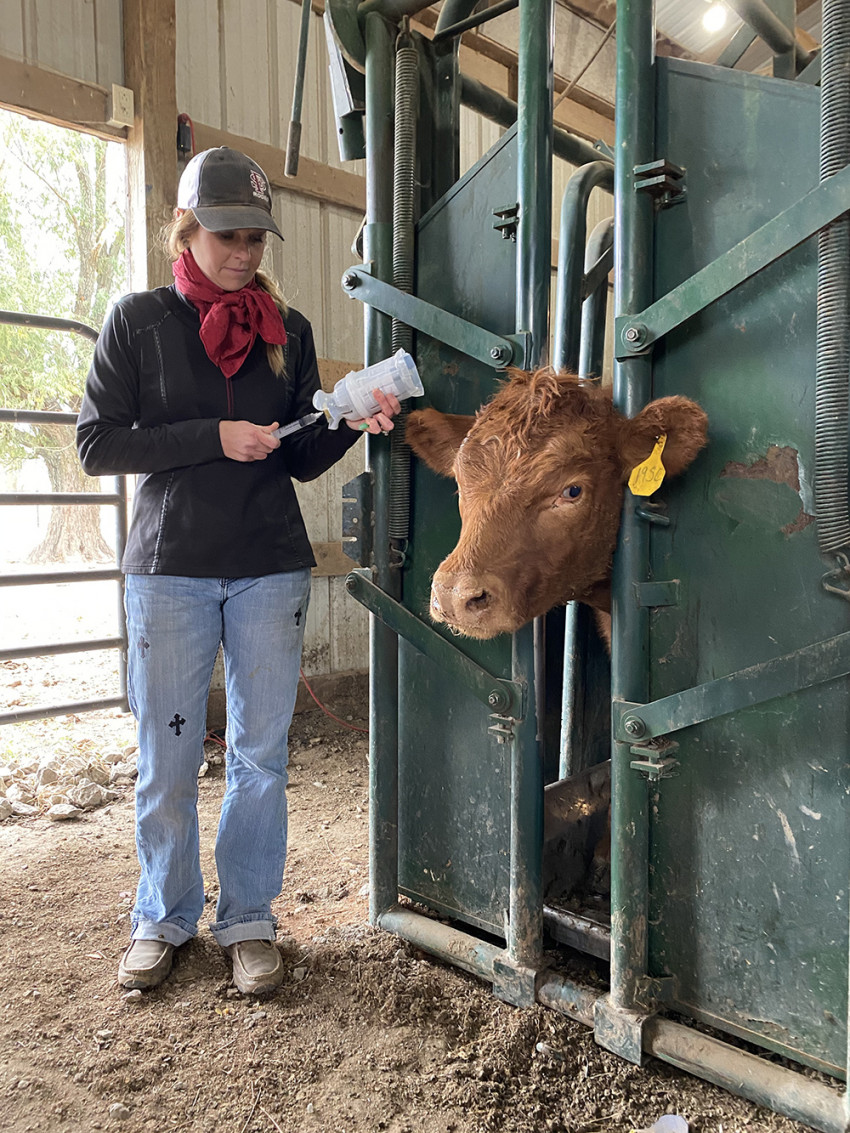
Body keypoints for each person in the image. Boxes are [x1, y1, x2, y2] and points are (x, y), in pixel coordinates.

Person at [76, 147, 399, 995]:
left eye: (256, 236)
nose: (244, 251)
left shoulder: (285, 330)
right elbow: (96, 443)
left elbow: (298, 454)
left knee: (260, 751)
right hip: (170, 567)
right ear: (187, 227)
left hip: (267, 565)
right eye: (227, 234)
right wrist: (210, 437)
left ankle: (248, 917)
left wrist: (353, 419)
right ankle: (164, 913)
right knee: (168, 754)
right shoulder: (138, 321)